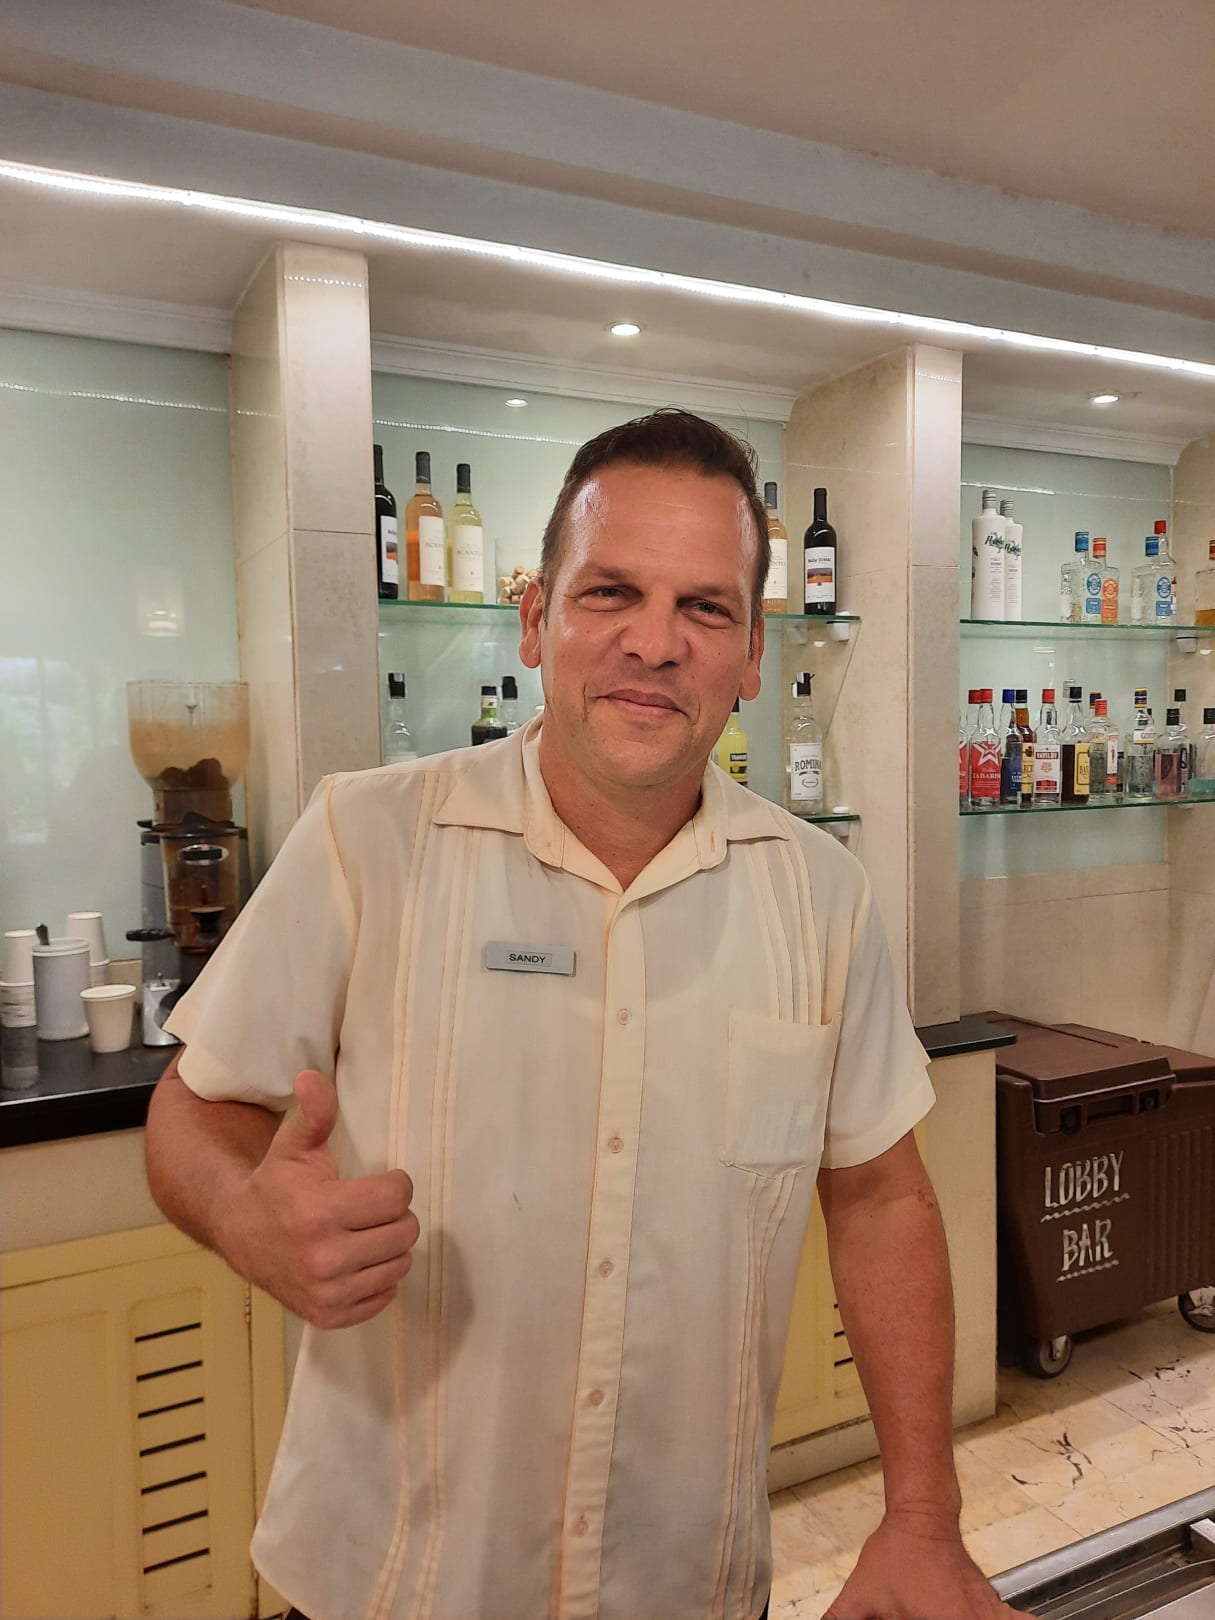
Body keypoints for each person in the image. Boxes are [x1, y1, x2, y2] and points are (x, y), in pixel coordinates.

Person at [145, 408, 1028, 1620]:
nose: (654, 644)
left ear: (752, 655)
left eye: (705, 608)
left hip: (685, 1589)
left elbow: (880, 1197)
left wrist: (922, 1516)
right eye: (610, 592)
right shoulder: (367, 839)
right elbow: (190, 1112)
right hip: (382, 1587)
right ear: (534, 620)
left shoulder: (822, 898)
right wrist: (242, 1212)